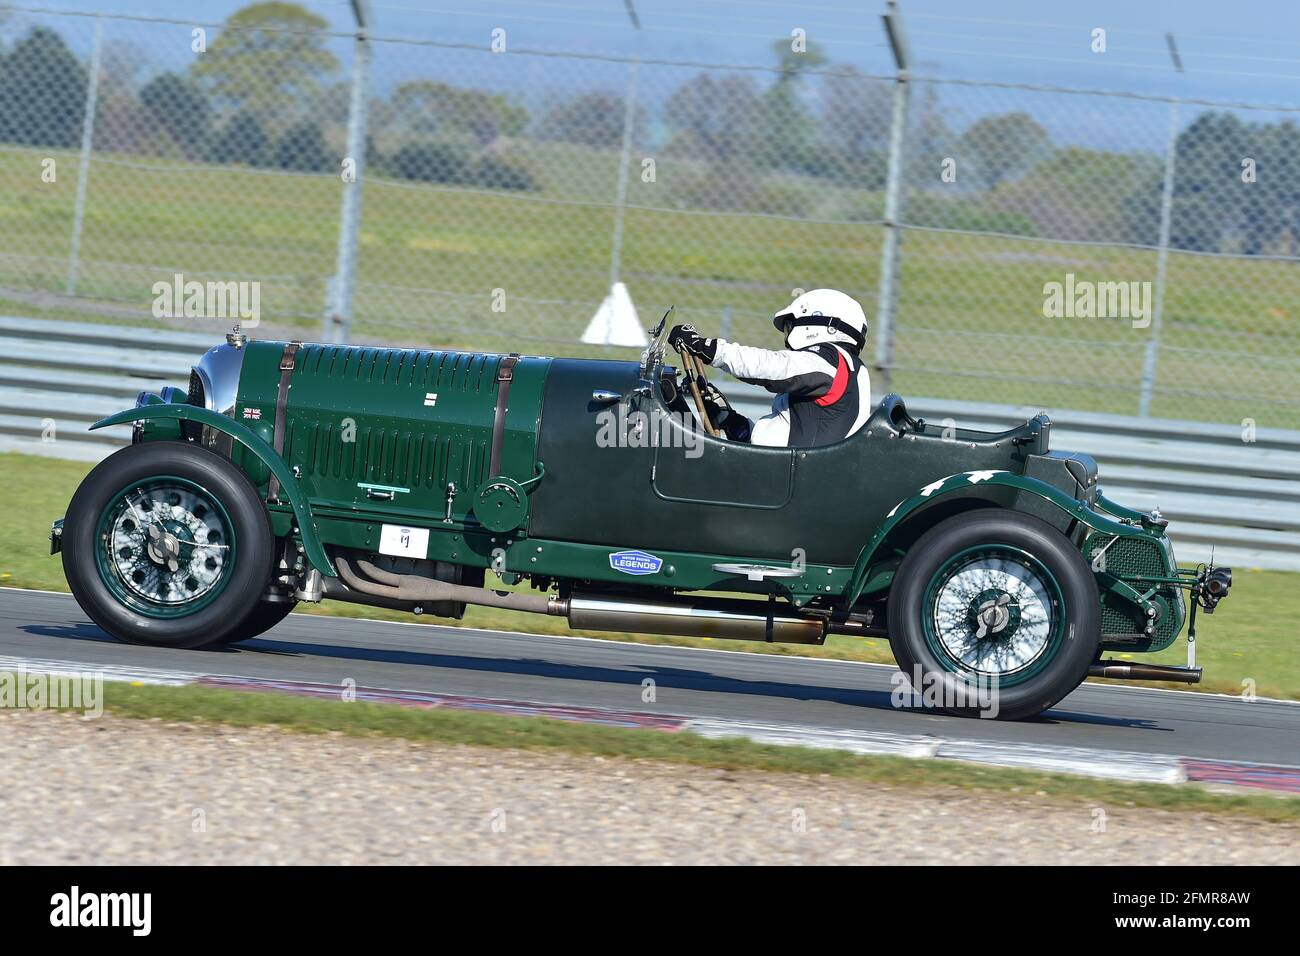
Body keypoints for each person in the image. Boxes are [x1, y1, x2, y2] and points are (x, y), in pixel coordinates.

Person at [668, 289, 871, 447]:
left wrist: (707, 348)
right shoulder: (842, 369)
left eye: (790, 327)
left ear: (824, 325)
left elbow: (773, 367)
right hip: (785, 477)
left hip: (793, 484)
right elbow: (777, 441)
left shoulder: (833, 360)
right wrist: (730, 420)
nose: (787, 338)